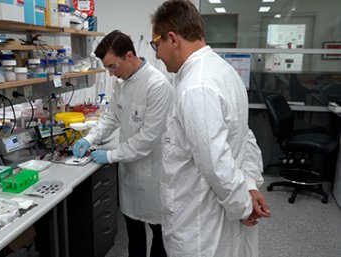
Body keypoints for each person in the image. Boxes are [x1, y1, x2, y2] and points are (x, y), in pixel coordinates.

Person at [151, 0, 271, 256]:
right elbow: (243, 136)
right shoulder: (223, 71)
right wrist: (248, 185)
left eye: (155, 44)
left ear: (172, 39)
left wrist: (243, 206)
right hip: (215, 210)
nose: (156, 55)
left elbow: (216, 164)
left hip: (200, 224)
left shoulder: (197, 86)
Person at [72, 30, 173, 257]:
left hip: (154, 174)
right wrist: (89, 138)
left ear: (129, 56)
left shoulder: (157, 86)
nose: (110, 74)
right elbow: (111, 117)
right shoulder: (122, 82)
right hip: (130, 173)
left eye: (112, 67)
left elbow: (147, 138)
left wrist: (110, 156)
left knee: (160, 235)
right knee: (134, 234)